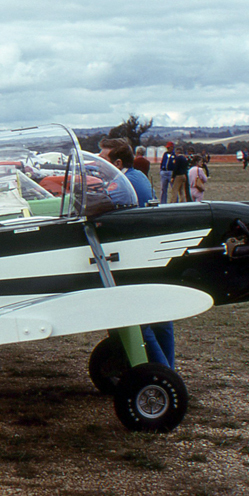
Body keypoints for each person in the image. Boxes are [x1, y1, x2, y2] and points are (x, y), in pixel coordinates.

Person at [97, 138, 174, 369]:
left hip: (135, 258)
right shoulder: (137, 176)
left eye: (102, 160)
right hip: (152, 254)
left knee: (136, 321)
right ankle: (166, 370)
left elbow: (95, 206)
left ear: (117, 163)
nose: (98, 165)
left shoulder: (122, 184)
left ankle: (158, 375)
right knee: (160, 320)